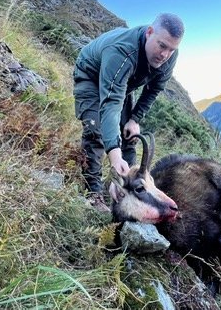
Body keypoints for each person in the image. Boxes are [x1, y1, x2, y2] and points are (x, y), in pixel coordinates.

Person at [73, 13, 184, 210]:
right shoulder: (122, 52)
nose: (165, 54)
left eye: (171, 49)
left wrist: (134, 119)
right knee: (96, 131)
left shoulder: (168, 56)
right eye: (162, 46)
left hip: (121, 85)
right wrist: (114, 156)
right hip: (91, 76)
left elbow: (154, 89)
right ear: (149, 33)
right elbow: (111, 104)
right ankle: (93, 193)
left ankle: (127, 186)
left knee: (129, 134)